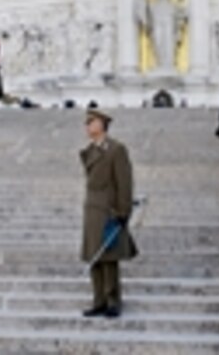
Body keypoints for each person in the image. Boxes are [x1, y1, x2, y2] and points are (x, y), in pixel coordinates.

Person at [80, 108, 137, 318]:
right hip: (92, 208)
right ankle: (99, 300)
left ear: (102, 125)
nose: (88, 127)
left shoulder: (116, 149)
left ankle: (113, 299)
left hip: (108, 208)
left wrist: (124, 210)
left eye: (91, 122)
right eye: (87, 123)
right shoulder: (91, 150)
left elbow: (124, 182)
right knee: (94, 256)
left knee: (108, 256)